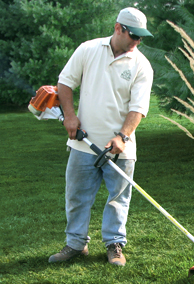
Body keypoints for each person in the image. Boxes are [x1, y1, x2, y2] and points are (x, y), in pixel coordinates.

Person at [48, 7, 153, 266]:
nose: (137, 42)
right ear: (119, 28)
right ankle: (75, 243)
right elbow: (65, 82)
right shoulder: (88, 49)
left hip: (121, 149)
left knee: (118, 199)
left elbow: (138, 108)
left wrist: (123, 136)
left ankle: (114, 244)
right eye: (134, 36)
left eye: (141, 38)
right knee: (76, 197)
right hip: (83, 143)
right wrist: (70, 116)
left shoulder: (141, 65)